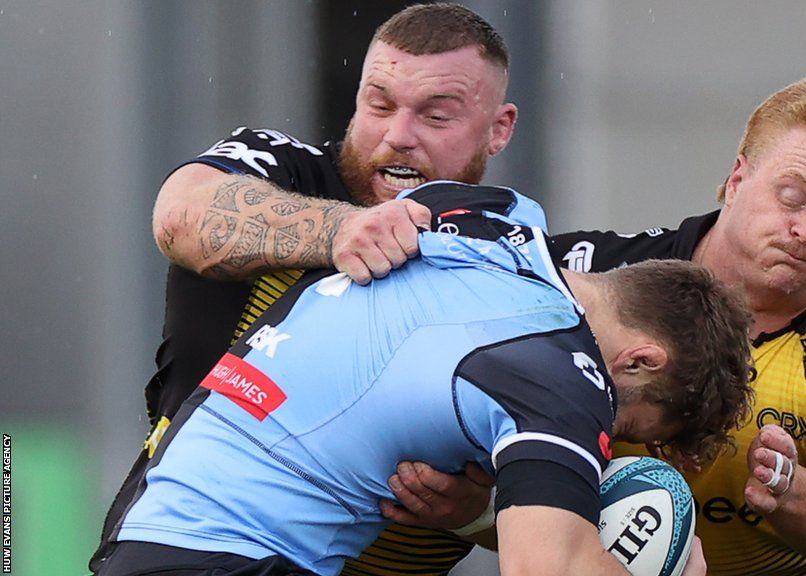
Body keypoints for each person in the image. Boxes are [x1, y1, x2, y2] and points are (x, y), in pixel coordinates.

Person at [389, 77, 806, 575]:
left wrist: (789, 487)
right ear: (737, 179)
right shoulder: (589, 276)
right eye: (792, 196)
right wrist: (478, 508)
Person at [95, 181, 754, 576]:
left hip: (155, 520)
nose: (606, 433)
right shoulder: (563, 376)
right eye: (628, 421)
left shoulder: (490, 212)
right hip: (229, 559)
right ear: (640, 361)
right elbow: (544, 568)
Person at [90, 3, 518, 574]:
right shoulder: (286, 170)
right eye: (379, 104)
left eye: (436, 116)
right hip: (198, 553)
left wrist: (481, 512)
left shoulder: (516, 266)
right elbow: (180, 217)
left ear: (499, 129)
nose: (398, 136)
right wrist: (339, 229)